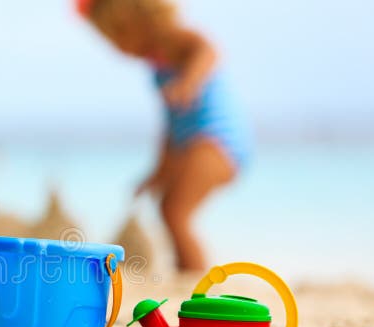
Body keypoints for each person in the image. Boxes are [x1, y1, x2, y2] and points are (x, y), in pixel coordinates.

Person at [77, 0, 252, 271]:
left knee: (174, 211)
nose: (118, 49)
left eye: (119, 36)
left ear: (141, 20)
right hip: (192, 141)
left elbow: (208, 49)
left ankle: (196, 278)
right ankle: (186, 273)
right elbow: (171, 127)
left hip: (217, 139)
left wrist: (189, 83)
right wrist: (158, 172)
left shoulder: (175, 40)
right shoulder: (157, 65)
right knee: (169, 209)